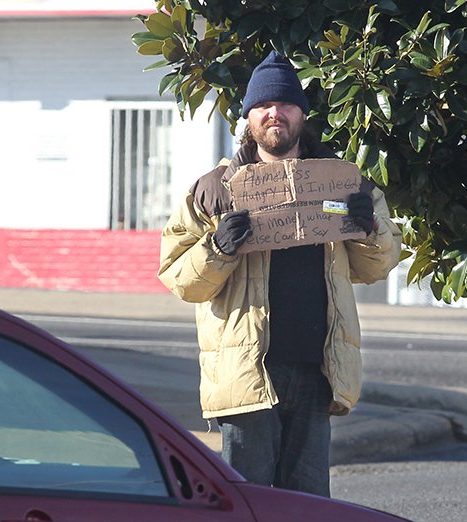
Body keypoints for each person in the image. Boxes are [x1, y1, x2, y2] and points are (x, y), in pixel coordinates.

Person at [158, 51, 401, 497]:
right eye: (264, 106)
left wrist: (369, 227)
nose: (275, 114)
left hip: (316, 373)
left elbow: (377, 265)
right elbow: (177, 276)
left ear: (301, 115)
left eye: (286, 104)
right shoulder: (214, 190)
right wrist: (218, 248)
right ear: (249, 116)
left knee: (307, 507)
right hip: (247, 376)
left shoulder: (342, 182)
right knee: (247, 503)